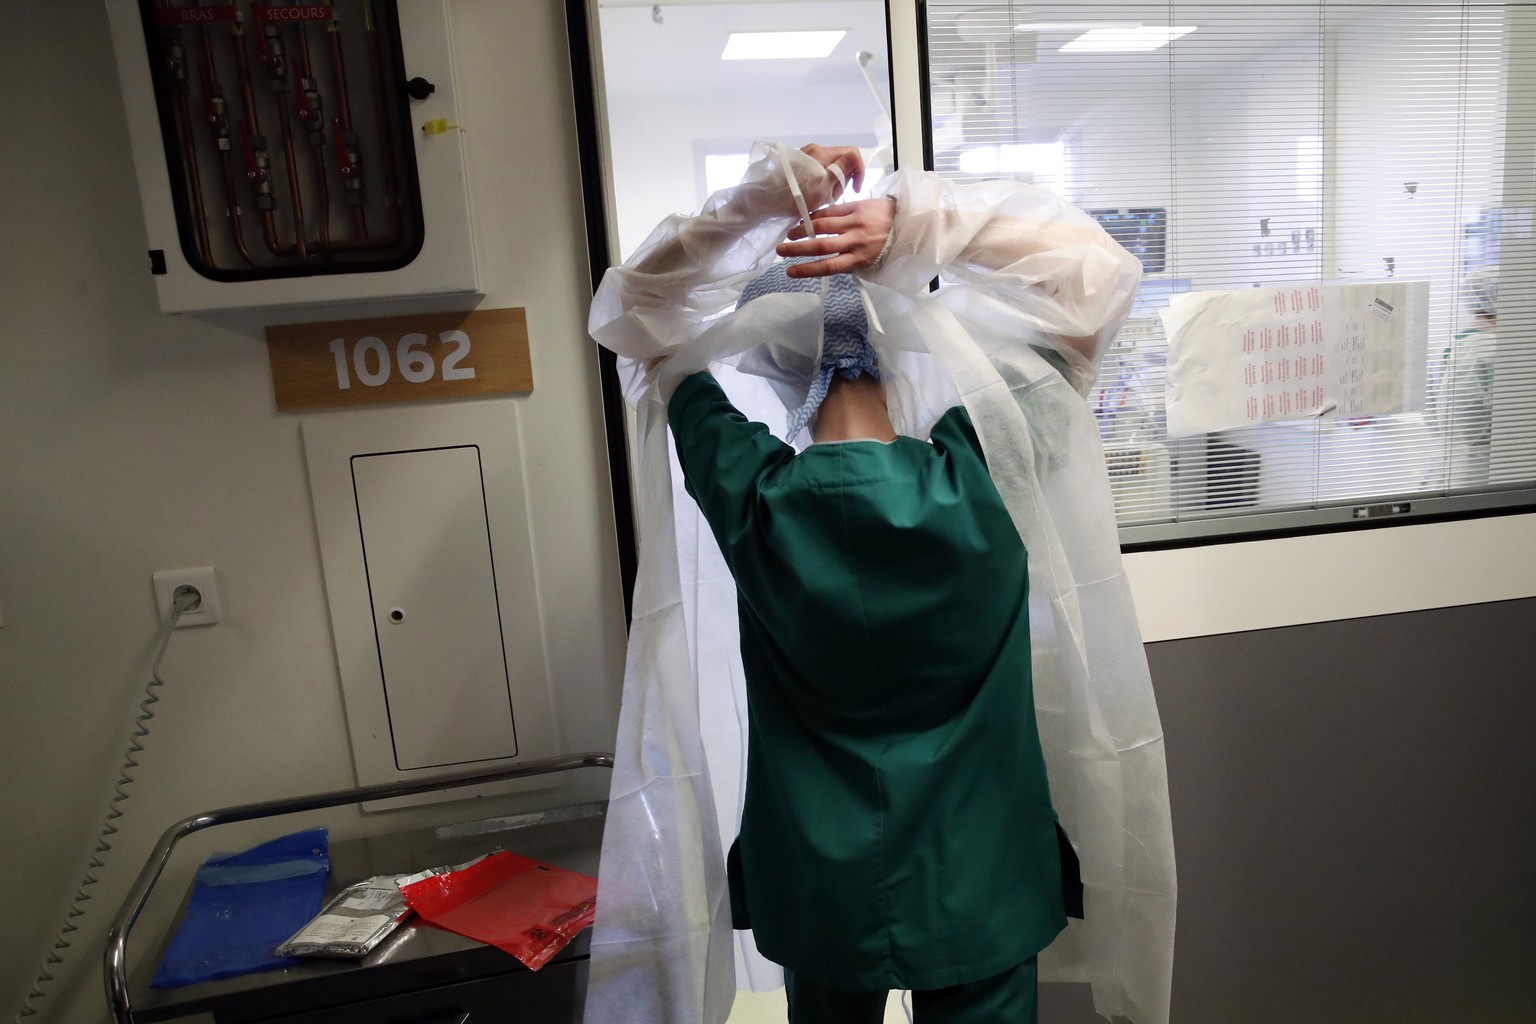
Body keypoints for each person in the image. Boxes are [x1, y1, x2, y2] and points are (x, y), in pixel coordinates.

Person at [586, 142, 1176, 1024]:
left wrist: (754, 208)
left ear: (778, 362)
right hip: (980, 874)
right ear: (904, 350)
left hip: (820, 882)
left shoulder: (752, 496)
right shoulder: (989, 472)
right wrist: (913, 227)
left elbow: (634, 316)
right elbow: (1095, 286)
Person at [1425, 266, 1498, 487]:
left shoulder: (1445, 349)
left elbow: (1432, 421)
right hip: (1487, 476)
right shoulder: (1499, 353)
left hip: (1447, 471)